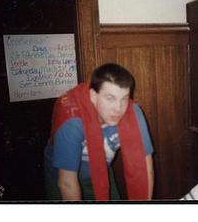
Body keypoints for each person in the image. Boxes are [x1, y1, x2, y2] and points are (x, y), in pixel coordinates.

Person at [44, 63, 154, 201]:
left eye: (124, 98)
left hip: (101, 171)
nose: (118, 109)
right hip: (61, 177)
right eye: (110, 98)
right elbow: (67, 183)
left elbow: (144, 168)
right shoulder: (72, 123)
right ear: (93, 96)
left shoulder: (132, 113)